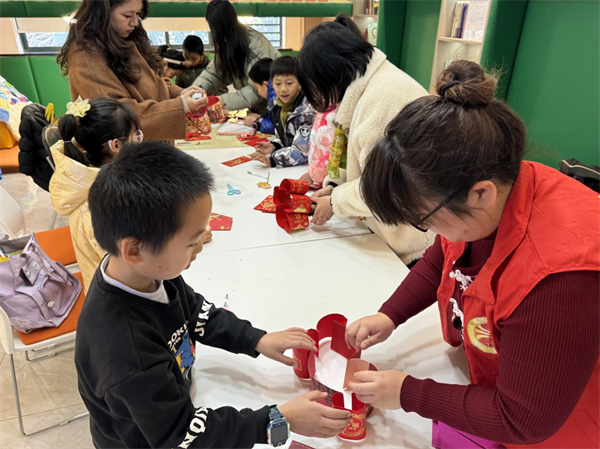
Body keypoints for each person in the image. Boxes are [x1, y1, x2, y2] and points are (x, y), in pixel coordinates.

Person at [345, 61, 600, 448]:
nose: (427, 231)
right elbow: (440, 258)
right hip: (499, 381)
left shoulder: (560, 279)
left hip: (565, 419)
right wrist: (390, 313)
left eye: (424, 219)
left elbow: (524, 420)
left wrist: (408, 393)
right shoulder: (487, 191)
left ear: (480, 194)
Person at [76, 140, 352, 448]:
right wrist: (278, 419)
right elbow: (181, 436)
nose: (200, 247)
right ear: (135, 250)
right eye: (191, 242)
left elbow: (193, 311)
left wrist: (255, 338)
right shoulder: (124, 351)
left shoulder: (145, 272)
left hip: (170, 401)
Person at [298, 18, 434, 265]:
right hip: (387, 231)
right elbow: (360, 163)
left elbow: (385, 189)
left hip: (413, 245)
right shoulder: (368, 86)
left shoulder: (382, 99)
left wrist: (335, 201)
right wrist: (335, 188)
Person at [58, 0, 207, 140]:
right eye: (127, 15)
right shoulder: (86, 55)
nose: (135, 22)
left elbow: (154, 84)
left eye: (138, 14)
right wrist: (180, 105)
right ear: (103, 13)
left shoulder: (127, 39)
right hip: (126, 153)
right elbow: (117, 114)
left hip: (150, 146)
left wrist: (180, 93)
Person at [193, 0, 280, 112]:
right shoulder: (227, 43)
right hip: (258, 110)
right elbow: (213, 74)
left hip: (274, 109)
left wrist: (217, 101)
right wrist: (195, 91)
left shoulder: (255, 44)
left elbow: (255, 91)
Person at [250, 57, 316, 168]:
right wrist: (274, 145)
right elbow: (287, 137)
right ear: (272, 85)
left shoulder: (307, 111)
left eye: (289, 83)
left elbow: (301, 151)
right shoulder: (276, 106)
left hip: (306, 167)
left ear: (300, 83)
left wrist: (273, 160)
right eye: (278, 83)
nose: (283, 89)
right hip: (290, 166)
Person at [245, 57, 276, 134]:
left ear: (265, 85)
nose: (258, 92)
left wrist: (256, 122)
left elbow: (279, 128)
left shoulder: (276, 99)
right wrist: (261, 118)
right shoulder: (272, 98)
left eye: (257, 87)